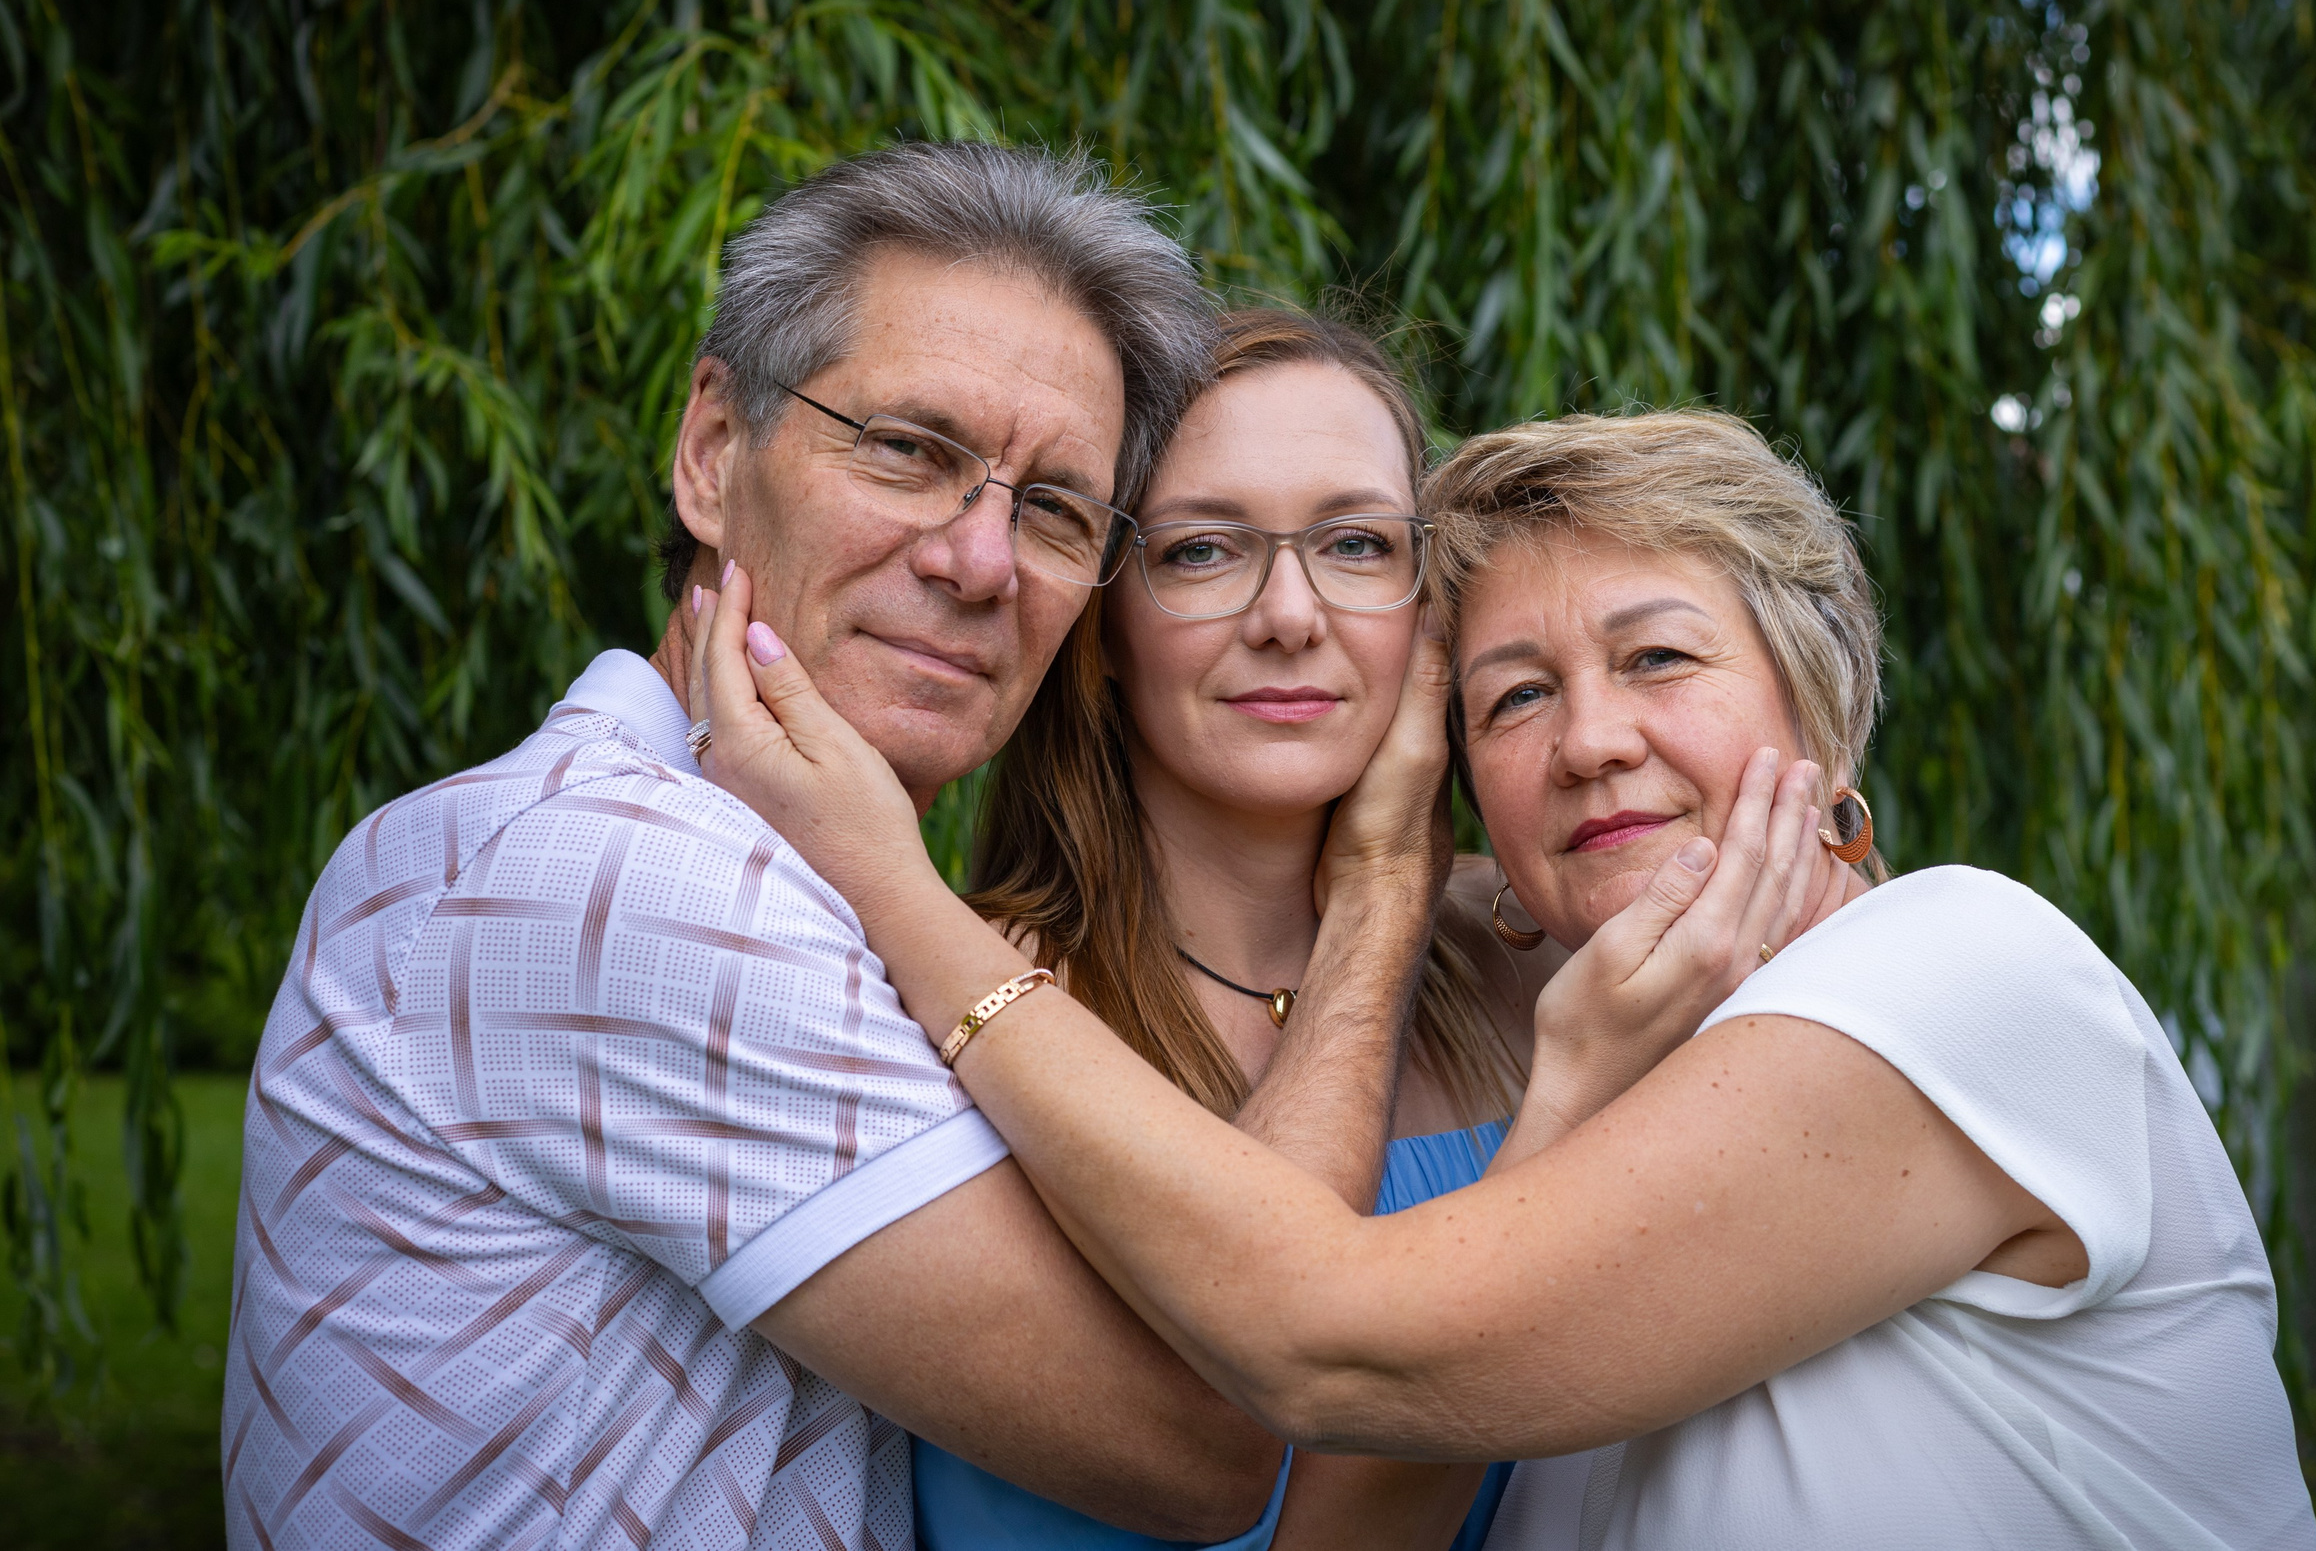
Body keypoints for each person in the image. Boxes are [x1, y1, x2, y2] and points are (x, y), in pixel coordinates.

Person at [684, 407, 2316, 1549]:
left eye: (1661, 657)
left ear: (1822, 720)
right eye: (1513, 698)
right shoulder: (1616, 1101)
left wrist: (889, 885)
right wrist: (1560, 1083)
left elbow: (1335, 1343)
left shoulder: (1959, 968)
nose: (1592, 738)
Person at [224, 142, 1442, 1551]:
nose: (978, 560)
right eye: (910, 450)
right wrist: (1378, 887)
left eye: (1052, 509)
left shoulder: (701, 857)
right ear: (711, 450)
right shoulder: (630, 881)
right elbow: (1213, 1437)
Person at [908, 307, 1595, 1551]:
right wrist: (1382, 889)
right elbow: (1255, 1379)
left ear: (1426, 612)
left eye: (1353, 542)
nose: (1290, 614)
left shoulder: (1538, 961)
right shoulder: (953, 998)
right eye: (1204, 552)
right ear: (1102, 627)